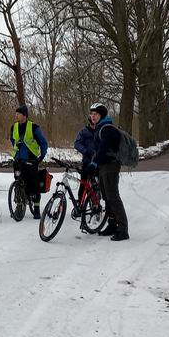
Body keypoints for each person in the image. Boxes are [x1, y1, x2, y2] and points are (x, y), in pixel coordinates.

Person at [88, 103, 129, 241]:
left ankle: (123, 230)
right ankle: (112, 224)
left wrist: (94, 163)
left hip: (110, 165)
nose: (93, 116)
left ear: (102, 115)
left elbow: (104, 148)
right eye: (91, 114)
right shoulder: (100, 128)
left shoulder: (107, 129)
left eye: (96, 114)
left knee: (113, 196)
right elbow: (98, 150)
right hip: (103, 166)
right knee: (106, 196)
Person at [10, 104, 48, 219]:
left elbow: (43, 142)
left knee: (34, 184)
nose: (16, 115)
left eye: (19, 114)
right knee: (18, 182)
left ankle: (36, 208)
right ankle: (19, 205)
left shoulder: (34, 127)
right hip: (18, 159)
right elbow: (12, 140)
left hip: (31, 159)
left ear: (25, 115)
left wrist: (41, 155)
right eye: (16, 113)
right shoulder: (14, 127)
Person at [73, 108, 99, 202]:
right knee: (83, 184)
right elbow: (77, 143)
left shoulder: (101, 130)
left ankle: (96, 203)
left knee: (98, 185)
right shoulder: (84, 131)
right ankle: (80, 203)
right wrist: (85, 151)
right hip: (87, 161)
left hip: (98, 162)